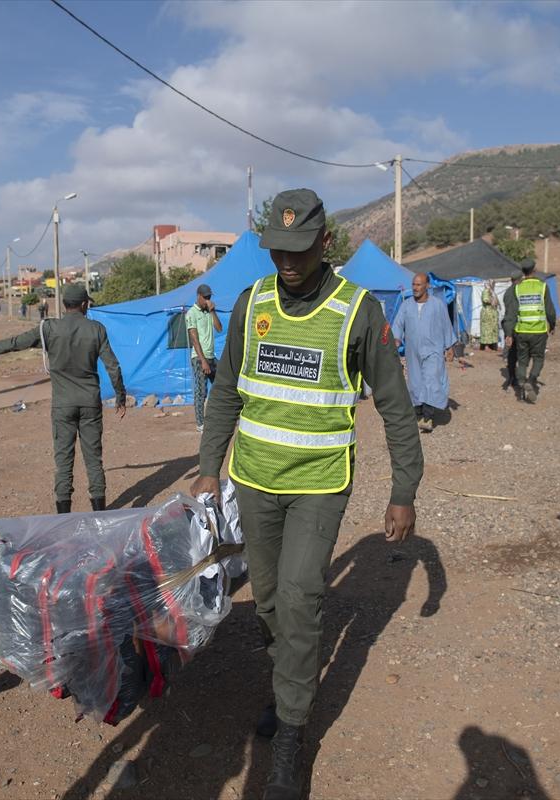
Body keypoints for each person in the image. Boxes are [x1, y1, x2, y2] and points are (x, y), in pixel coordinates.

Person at [189, 189, 421, 800]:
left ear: (325, 243)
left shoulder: (358, 311)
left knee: (298, 595)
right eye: (276, 252)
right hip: (255, 481)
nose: (286, 263)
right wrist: (210, 465)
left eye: (298, 251)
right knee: (266, 600)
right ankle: (289, 678)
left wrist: (404, 489)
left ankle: (292, 733)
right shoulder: (252, 302)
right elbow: (228, 392)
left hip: (320, 483)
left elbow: (395, 405)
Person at [0, 283, 125, 513]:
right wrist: (120, 396)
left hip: (62, 406)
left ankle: (63, 517)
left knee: (63, 461)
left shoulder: (48, 329)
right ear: (84, 304)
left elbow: (14, 343)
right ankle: (99, 514)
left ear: (63, 304)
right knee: (93, 460)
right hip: (90, 402)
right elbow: (113, 366)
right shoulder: (96, 329)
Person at [394, 271, 457, 431]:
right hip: (412, 351)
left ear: (427, 286)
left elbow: (446, 325)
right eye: (413, 284)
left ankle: (428, 417)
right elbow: (398, 325)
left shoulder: (437, 305)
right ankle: (418, 411)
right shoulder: (406, 305)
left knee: (431, 380)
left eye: (418, 284)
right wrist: (396, 340)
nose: (415, 288)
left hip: (433, 350)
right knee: (416, 382)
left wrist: (449, 347)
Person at [502, 259, 556, 403]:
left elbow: (511, 314)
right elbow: (550, 310)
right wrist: (552, 324)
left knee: (523, 361)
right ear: (535, 269)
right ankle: (531, 380)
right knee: (538, 358)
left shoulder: (517, 289)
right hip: (539, 331)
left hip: (521, 331)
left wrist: (508, 333)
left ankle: (520, 385)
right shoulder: (543, 287)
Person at [186, 283, 223, 433]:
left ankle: (218, 417)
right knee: (201, 391)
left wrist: (213, 311)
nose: (207, 299)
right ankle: (200, 423)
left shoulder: (209, 311)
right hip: (199, 358)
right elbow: (194, 339)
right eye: (205, 297)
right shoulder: (191, 314)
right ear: (199, 296)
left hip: (211, 356)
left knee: (223, 384)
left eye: (209, 297)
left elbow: (219, 328)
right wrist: (202, 361)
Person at [478, 282, 500, 351]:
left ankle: (493, 345)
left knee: (493, 329)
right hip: (487, 313)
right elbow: (485, 300)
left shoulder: (492, 292)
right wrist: (492, 301)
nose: (493, 285)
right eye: (492, 284)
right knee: (486, 330)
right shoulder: (486, 291)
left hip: (493, 314)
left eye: (494, 284)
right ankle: (486, 345)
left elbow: (497, 301)